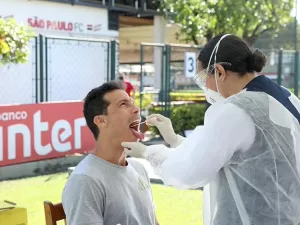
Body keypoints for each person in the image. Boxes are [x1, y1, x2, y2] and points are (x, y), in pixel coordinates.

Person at [122, 34, 300, 225]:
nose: (204, 88)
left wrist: (149, 153)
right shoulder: (286, 97)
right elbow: (231, 153)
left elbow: (189, 173)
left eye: (202, 79)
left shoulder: (237, 109)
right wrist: (175, 139)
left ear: (220, 71)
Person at [62, 81, 159, 225]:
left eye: (133, 103)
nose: (137, 109)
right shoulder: (85, 181)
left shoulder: (139, 168)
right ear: (101, 121)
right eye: (124, 104)